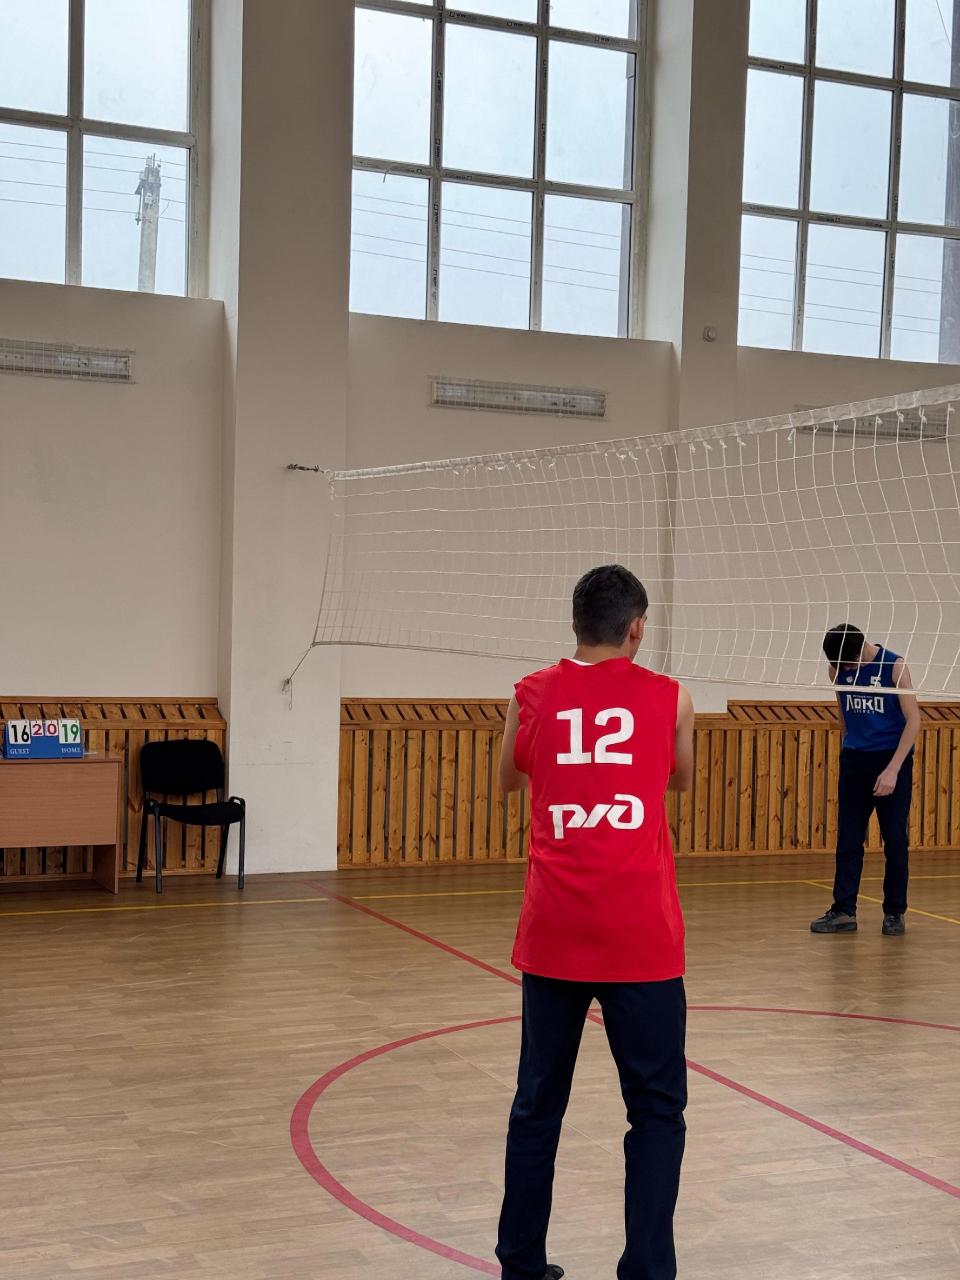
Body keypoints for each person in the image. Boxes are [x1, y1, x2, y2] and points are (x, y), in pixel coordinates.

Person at [495, 564, 694, 1280]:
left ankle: (521, 1263)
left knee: (537, 1105)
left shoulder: (530, 693)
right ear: (636, 627)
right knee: (656, 1111)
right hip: (641, 935)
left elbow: (508, 778)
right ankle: (647, 1270)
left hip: (555, 929)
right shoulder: (672, 697)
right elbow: (678, 778)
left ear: (575, 622)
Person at [811, 623, 920, 937]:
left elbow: (914, 720)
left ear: (859, 653)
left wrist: (893, 769)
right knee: (848, 840)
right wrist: (848, 747)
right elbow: (844, 712)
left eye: (848, 664)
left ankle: (895, 912)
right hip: (855, 759)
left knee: (895, 840)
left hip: (890, 758)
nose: (844, 670)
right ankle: (844, 911)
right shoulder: (837, 669)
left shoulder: (894, 667)